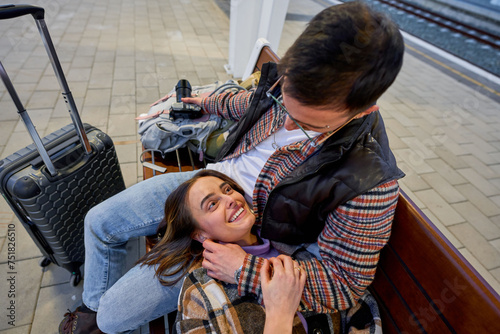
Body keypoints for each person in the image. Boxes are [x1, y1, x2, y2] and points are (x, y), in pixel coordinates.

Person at [59, 2, 405, 333]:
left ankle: (96, 320)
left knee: (112, 316)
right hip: (207, 183)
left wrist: (245, 269)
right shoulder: (297, 79)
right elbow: (254, 102)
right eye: (284, 102)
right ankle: (89, 315)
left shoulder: (369, 180)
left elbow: (344, 284)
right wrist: (208, 102)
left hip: (240, 235)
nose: (286, 124)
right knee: (99, 222)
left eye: (305, 126)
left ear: (361, 111)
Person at [139, 169, 310, 332]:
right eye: (212, 204)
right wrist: (280, 314)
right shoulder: (200, 292)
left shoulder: (293, 236)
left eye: (227, 190)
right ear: (200, 234)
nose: (230, 200)